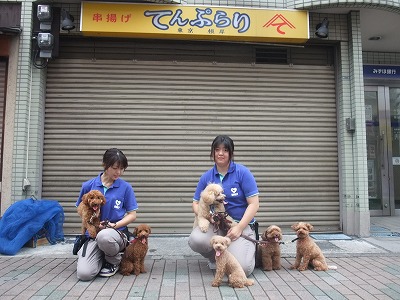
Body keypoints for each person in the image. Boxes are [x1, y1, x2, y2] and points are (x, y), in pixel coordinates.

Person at [188, 135, 260, 276]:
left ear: (231, 153)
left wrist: (239, 228)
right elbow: (195, 203)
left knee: (242, 269)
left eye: (225, 150)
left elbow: (254, 204)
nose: (221, 153)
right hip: (216, 226)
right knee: (196, 240)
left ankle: (250, 252)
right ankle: (217, 258)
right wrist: (208, 217)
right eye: (217, 150)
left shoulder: (243, 173)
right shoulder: (207, 176)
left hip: (239, 225)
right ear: (212, 152)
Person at [75, 148, 138, 281]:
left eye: (121, 169)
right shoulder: (88, 185)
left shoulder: (126, 187)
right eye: (115, 168)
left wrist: (115, 225)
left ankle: (113, 261)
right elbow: (80, 209)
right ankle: (100, 257)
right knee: (84, 274)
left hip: (115, 234)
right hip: (93, 235)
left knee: (104, 236)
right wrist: (91, 218)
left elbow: (132, 215)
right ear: (105, 165)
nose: (118, 172)